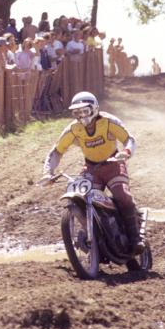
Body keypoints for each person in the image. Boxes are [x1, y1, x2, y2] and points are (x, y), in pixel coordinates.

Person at [39, 91, 142, 256]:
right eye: (77, 112)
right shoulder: (73, 129)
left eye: (85, 111)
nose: (81, 116)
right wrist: (48, 172)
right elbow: (57, 151)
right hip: (91, 168)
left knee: (123, 196)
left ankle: (135, 238)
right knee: (81, 199)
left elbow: (129, 139)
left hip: (113, 164)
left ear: (94, 109)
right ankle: (93, 235)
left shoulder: (109, 122)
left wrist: (126, 152)